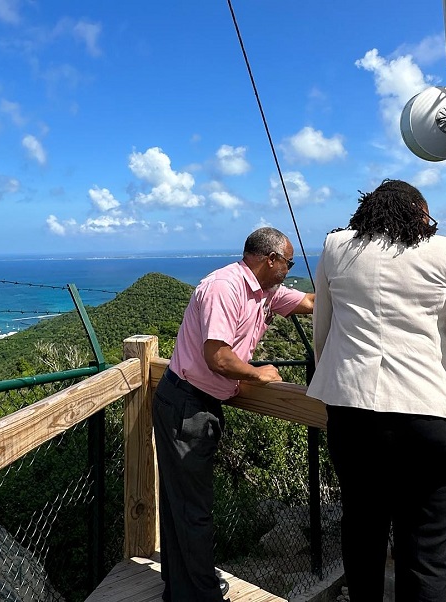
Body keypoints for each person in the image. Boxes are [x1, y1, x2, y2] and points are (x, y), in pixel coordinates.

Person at [306, 179, 446, 601]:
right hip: (433, 420)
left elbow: (324, 330)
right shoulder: (443, 249)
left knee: (361, 534)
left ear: (367, 212)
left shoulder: (335, 247)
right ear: (420, 213)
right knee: (424, 553)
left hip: (353, 417)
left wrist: (333, 385)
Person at [153, 226, 314, 602]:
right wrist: (258, 373)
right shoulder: (225, 288)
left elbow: (308, 302)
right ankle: (200, 595)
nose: (290, 268)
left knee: (183, 504)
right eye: (288, 262)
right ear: (270, 259)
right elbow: (218, 356)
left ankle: (182, 589)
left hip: (195, 404)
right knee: (193, 509)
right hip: (186, 406)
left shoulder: (264, 292)